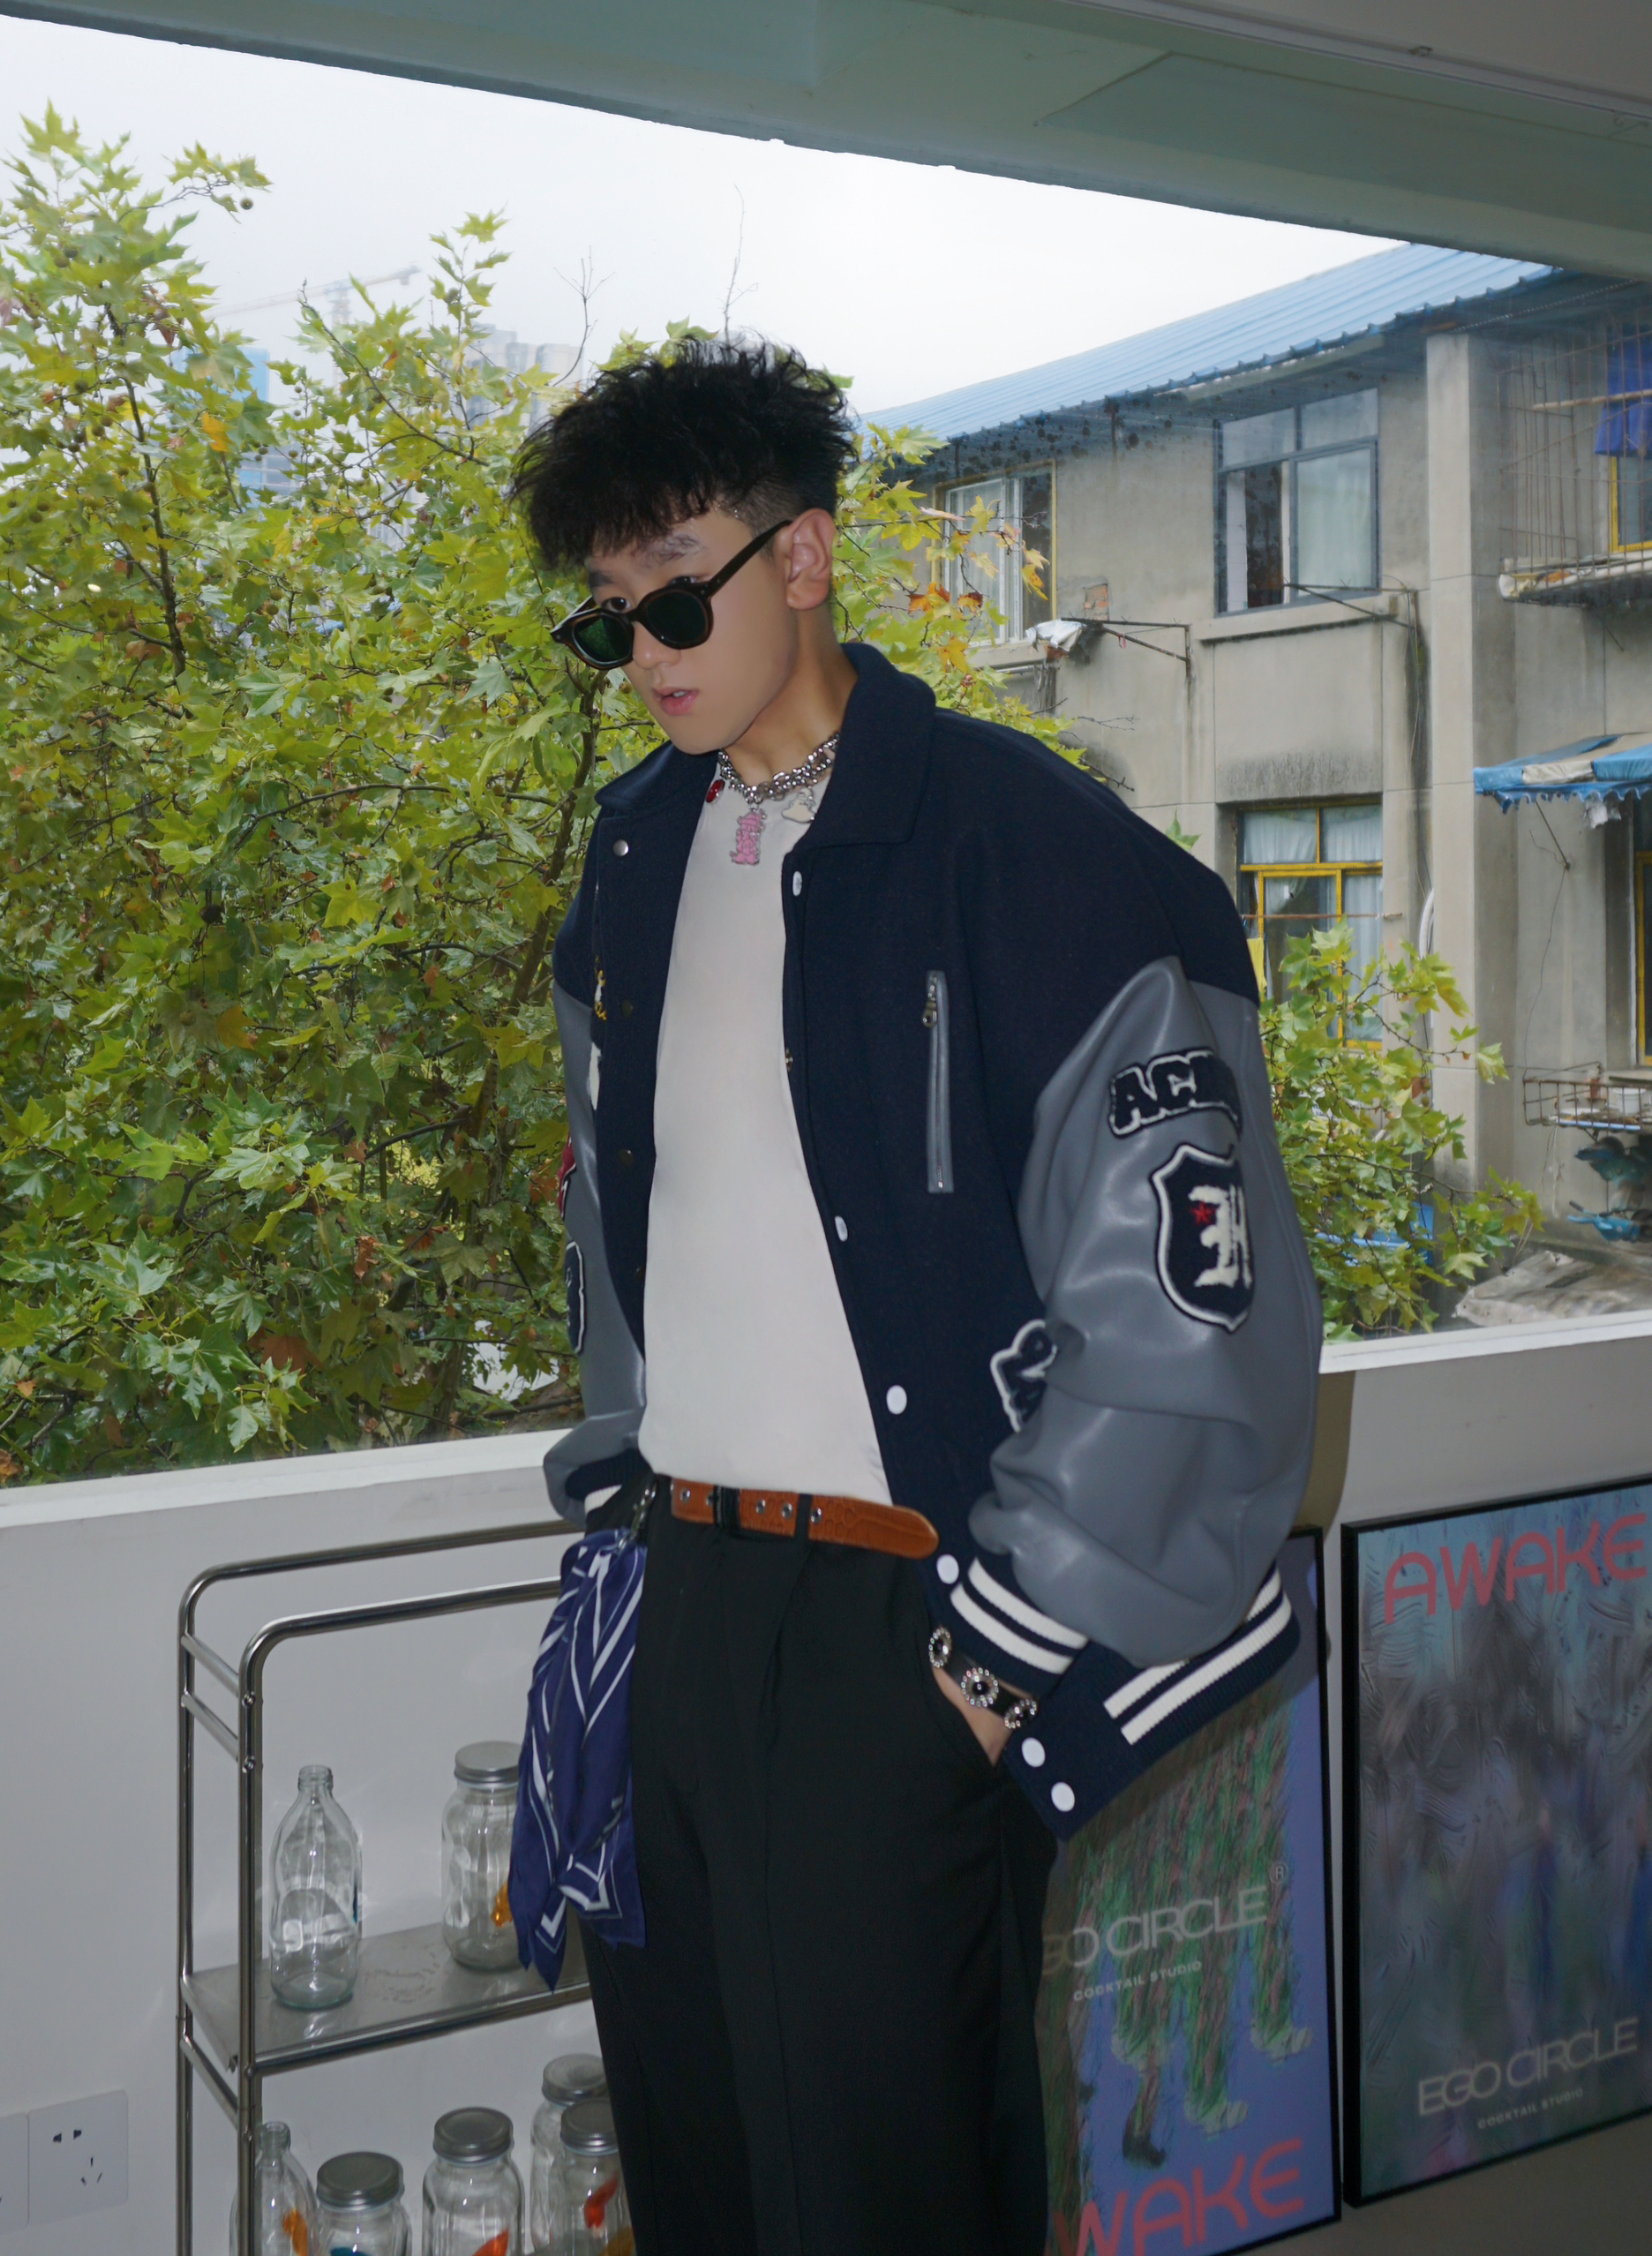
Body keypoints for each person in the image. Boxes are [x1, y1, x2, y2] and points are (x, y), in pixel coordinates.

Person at [511, 339, 1319, 2256]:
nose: (644, 654)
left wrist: (983, 1669)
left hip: (906, 1622)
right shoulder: (635, 859)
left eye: (676, 595)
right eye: (607, 619)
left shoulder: (1035, 854)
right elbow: (631, 1226)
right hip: (681, 1603)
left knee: (891, 2194)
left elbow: (1193, 1301)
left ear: (802, 555)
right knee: (699, 2165)